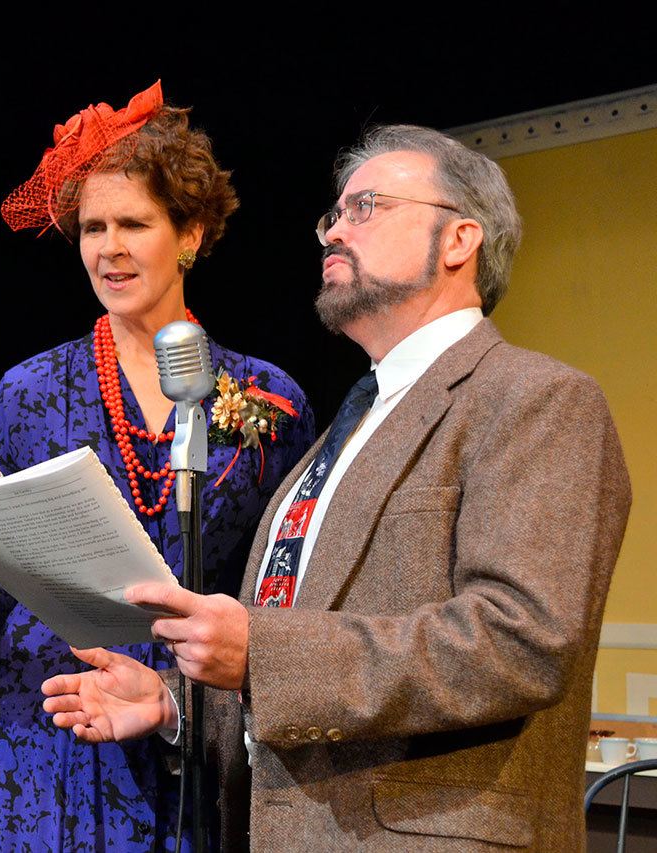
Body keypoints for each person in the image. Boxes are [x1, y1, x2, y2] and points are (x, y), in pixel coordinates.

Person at [42, 124, 632, 850]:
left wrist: (260, 652)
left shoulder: (536, 399)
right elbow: (295, 645)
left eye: (368, 207)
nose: (334, 233)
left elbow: (520, 639)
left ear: (459, 241)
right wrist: (176, 703)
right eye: (333, 215)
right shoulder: (340, 433)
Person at [0, 81, 314, 851]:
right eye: (91, 227)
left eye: (133, 223)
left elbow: (287, 592)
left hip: (181, 736)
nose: (107, 247)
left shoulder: (269, 400)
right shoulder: (30, 390)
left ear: (192, 233)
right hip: (34, 738)